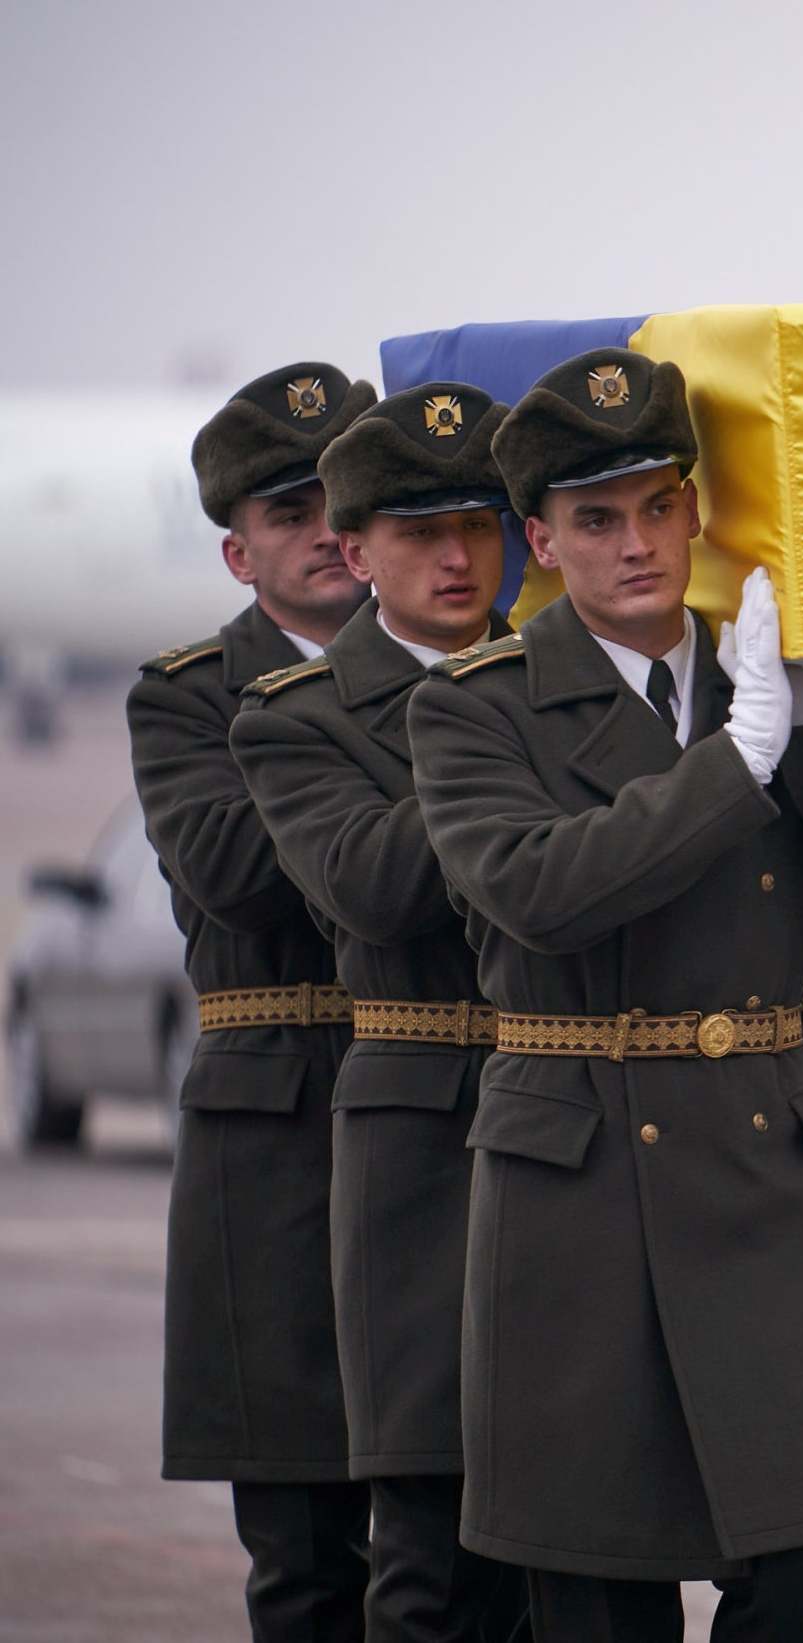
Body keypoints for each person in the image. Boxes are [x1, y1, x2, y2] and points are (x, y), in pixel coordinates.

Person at [406, 347, 803, 1641]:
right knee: (596, 1579)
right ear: (538, 539)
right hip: (583, 1177)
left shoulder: (773, 684)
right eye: (596, 518)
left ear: (699, 514)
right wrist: (738, 758)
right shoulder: (476, 710)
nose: (637, 542)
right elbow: (541, 888)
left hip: (772, 1164)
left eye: (660, 505)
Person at [228, 382, 529, 1642]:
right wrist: (527, 770)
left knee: (572, 1532)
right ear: (357, 554)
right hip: (420, 1140)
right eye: (417, 532)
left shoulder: (585, 685)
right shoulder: (292, 718)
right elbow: (375, 885)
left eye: (476, 523)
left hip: (583, 1127)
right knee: (430, 1531)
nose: (457, 557)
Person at [131, 361, 376, 1641]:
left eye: (349, 499)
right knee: (305, 1553)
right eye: (293, 512)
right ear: (240, 553)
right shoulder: (186, 695)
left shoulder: (472, 674)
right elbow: (231, 872)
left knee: (476, 1546)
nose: (331, 530)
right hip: (277, 1140)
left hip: (445, 1119)